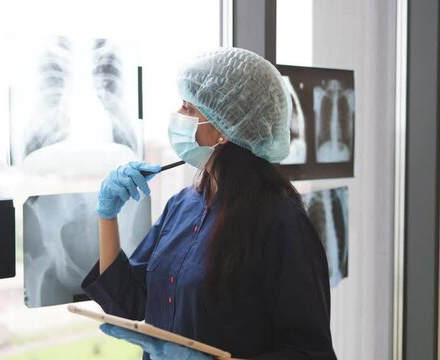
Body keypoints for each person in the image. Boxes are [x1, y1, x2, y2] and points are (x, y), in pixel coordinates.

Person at [81, 47, 337, 360]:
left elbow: (311, 353)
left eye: (188, 107)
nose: (178, 114)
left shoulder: (281, 221)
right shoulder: (183, 205)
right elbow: (128, 301)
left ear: (224, 128)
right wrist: (107, 214)